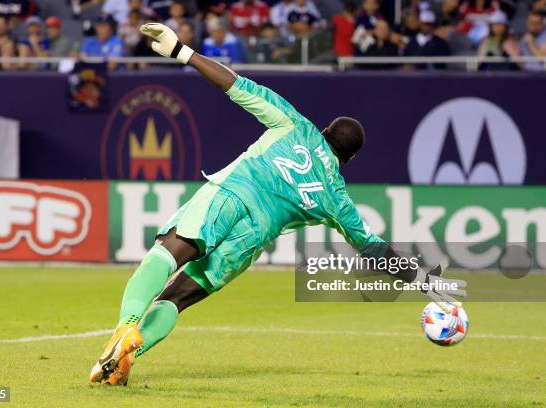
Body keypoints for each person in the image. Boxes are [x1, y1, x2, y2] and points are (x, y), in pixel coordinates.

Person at [88, 22, 467, 387]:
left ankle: (126, 328)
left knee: (166, 255)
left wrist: (180, 51)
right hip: (251, 240)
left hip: (229, 197)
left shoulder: (295, 125)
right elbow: (373, 249)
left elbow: (234, 84)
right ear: (347, 160)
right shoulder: (335, 195)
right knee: (177, 298)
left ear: (324, 132)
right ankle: (126, 358)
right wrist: (424, 281)